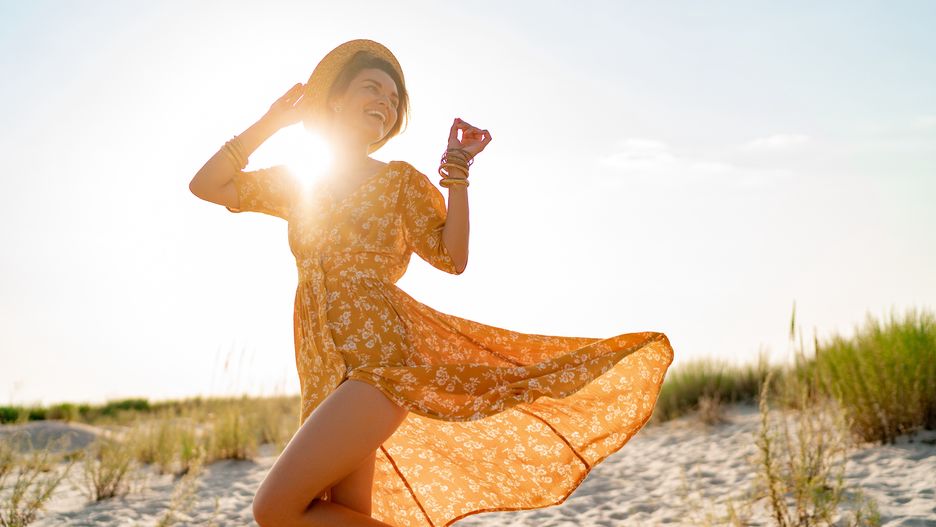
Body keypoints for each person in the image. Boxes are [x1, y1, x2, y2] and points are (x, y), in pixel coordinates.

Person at [189, 38, 674, 527]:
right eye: (372, 88)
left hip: (380, 365)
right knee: (342, 514)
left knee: (275, 508)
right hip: (322, 367)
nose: (385, 102)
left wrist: (457, 172)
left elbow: (451, 257)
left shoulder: (399, 181)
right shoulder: (299, 184)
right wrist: (273, 121)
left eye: (393, 99)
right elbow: (206, 185)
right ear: (334, 98)